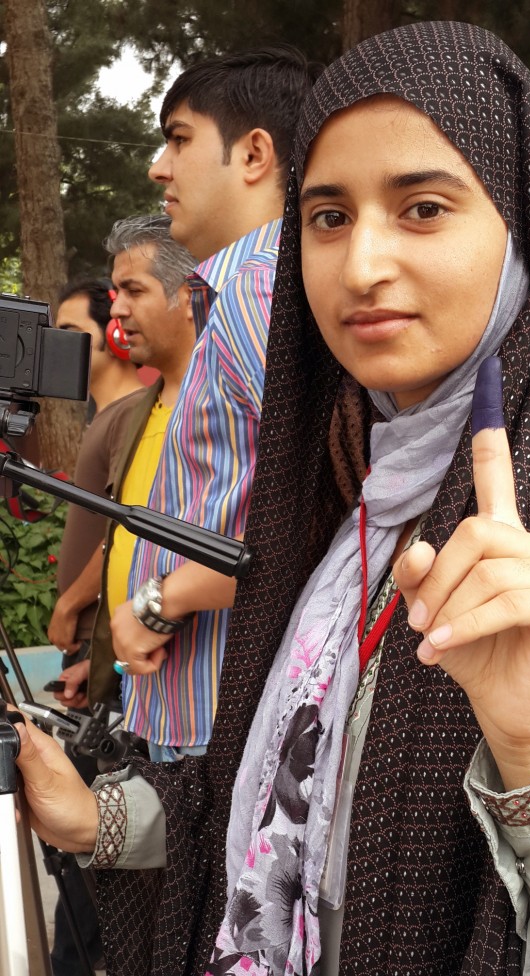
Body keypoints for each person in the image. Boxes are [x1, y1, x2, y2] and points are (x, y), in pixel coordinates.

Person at [16, 22, 530, 976]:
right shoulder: (339, 513)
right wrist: (97, 817)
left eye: (425, 207)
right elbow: (270, 801)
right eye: (327, 217)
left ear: (524, 229)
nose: (360, 267)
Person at [107, 49, 317, 761]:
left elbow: (311, 518)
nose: (158, 167)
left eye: (178, 138)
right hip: (215, 714)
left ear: (254, 152)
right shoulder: (244, 290)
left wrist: (157, 603)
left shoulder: (257, 292)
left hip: (222, 728)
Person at [59, 215, 197, 712]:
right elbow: (128, 542)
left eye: (132, 290)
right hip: (139, 688)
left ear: (189, 294)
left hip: (194, 705)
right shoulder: (142, 409)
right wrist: (102, 665)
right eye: (115, 292)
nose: (116, 308)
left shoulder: (219, 413)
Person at [47, 276, 145, 976]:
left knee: (84, 869)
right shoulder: (107, 416)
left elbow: (124, 537)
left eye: (71, 334)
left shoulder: (133, 415)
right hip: (97, 662)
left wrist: (70, 604)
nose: (57, 351)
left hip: (117, 669)